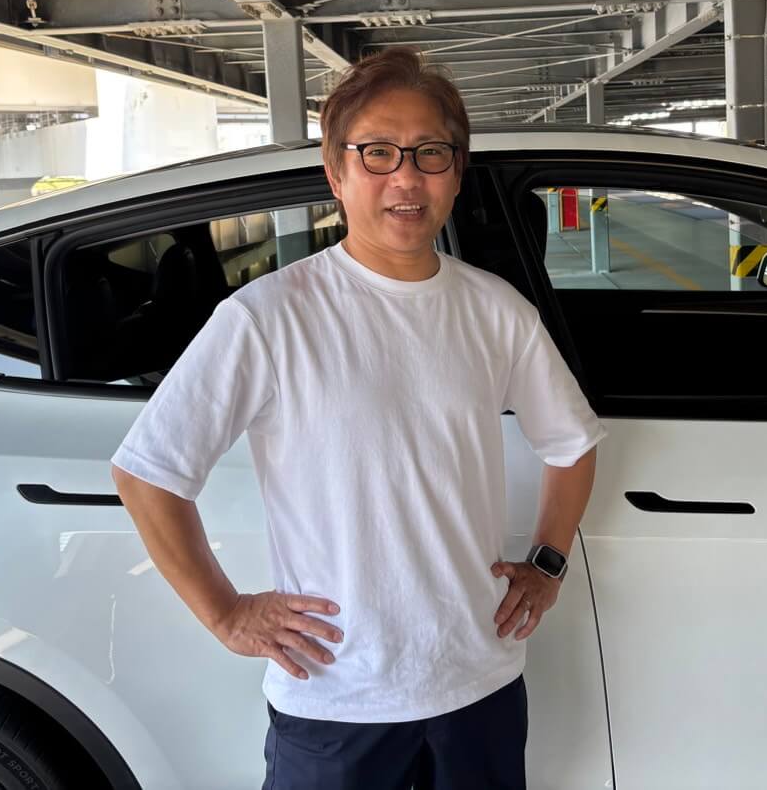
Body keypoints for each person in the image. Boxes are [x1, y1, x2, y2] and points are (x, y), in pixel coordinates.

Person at [111, 46, 605, 789]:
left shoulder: (495, 310)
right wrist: (226, 614)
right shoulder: (268, 316)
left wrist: (547, 565)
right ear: (335, 172)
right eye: (377, 152)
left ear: (456, 171)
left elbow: (571, 445)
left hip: (479, 683)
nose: (405, 177)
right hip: (336, 696)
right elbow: (148, 473)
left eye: (429, 152)